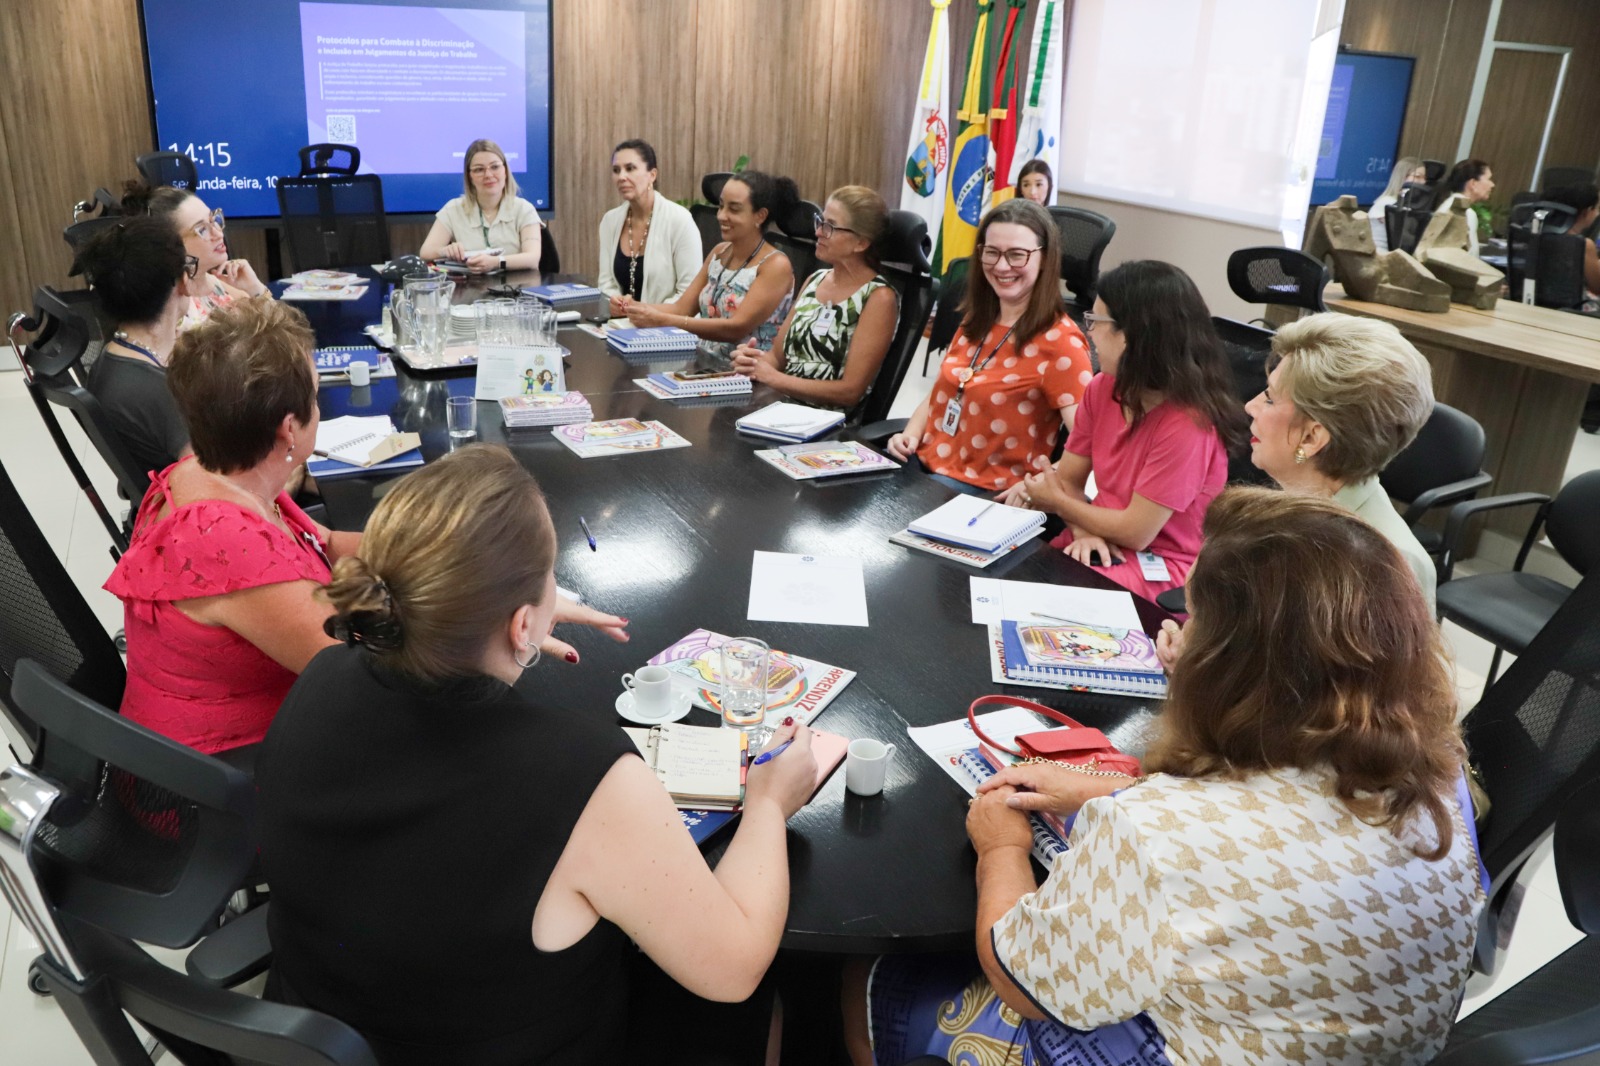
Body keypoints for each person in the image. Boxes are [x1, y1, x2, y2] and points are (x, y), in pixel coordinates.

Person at [855, 487, 1484, 1066]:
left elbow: (1023, 983)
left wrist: (1001, 847)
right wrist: (1114, 789)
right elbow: (1280, 835)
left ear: (1227, 664)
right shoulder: (1438, 782)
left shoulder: (1156, 837)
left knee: (871, 982)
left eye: (1197, 619)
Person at [258, 444, 819, 1065]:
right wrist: (769, 802)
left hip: (327, 1034)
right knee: (758, 1002)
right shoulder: (580, 774)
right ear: (522, 623)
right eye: (552, 577)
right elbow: (732, 967)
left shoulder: (323, 677)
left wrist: (508, 624)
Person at [103, 300, 627, 754]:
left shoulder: (214, 474)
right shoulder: (224, 541)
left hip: (232, 742)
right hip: (219, 786)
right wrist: (499, 613)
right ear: (289, 428)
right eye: (313, 397)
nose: (317, 407)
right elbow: (370, 673)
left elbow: (325, 544)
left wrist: (495, 574)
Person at [1015, 260, 1246, 600]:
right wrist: (1082, 532)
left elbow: (1137, 532)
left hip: (1161, 565)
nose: (1088, 331)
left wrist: (1059, 505)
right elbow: (1067, 481)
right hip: (1100, 538)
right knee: (1015, 574)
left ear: (1134, 334)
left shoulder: (1189, 424)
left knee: (1046, 602)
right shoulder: (1102, 387)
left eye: (1096, 321)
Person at [887, 198, 1092, 495]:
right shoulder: (978, 318)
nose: (1001, 266)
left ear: (1045, 258)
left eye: (1017, 255)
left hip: (987, 490)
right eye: (991, 252)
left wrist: (1036, 487)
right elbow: (942, 392)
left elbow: (1088, 445)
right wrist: (910, 433)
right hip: (924, 466)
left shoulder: (1061, 343)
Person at [1244, 312, 1438, 610]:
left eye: (1269, 398)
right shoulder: (1292, 500)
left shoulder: (1387, 568)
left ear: (1311, 438)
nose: (1251, 406)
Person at [729, 185, 898, 413]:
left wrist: (774, 379)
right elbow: (777, 357)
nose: (818, 232)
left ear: (861, 243)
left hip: (827, 425)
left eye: (831, 227)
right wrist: (753, 363)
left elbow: (849, 391)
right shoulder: (815, 280)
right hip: (778, 407)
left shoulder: (879, 298)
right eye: (820, 221)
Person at [615, 170, 796, 358]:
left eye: (733, 209)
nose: (721, 216)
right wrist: (633, 307)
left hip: (745, 372)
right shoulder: (720, 252)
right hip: (703, 362)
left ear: (760, 216)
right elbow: (681, 309)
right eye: (721, 206)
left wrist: (662, 320)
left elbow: (735, 328)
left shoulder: (775, 265)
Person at [74, 217, 196, 477]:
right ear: (182, 282)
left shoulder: (113, 357)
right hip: (192, 504)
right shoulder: (158, 392)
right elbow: (216, 495)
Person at [121, 181, 269, 328]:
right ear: (171, 245)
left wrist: (255, 288)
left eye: (214, 219)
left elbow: (282, 338)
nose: (218, 233)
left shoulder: (217, 285)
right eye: (202, 230)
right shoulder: (172, 307)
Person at [597, 139, 702, 313]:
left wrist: (644, 311)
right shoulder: (610, 221)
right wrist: (613, 303)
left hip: (668, 328)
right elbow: (606, 283)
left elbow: (689, 295)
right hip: (620, 326)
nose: (621, 177)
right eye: (616, 170)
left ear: (652, 175)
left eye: (630, 168)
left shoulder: (680, 220)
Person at [419, 138, 543, 273]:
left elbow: (532, 259)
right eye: (479, 170)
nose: (488, 175)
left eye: (495, 167)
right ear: (470, 177)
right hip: (470, 289)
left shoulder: (524, 209)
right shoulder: (453, 209)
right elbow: (425, 252)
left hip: (515, 289)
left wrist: (496, 262)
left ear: (505, 171)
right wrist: (445, 250)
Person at [1542, 183, 1600, 297]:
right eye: (1597, 209)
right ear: (1586, 212)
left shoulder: (1538, 234)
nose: (1598, 214)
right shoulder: (1583, 245)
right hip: (1570, 310)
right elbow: (1597, 287)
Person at [1432, 158, 1494, 256]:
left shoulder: (1449, 204)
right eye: (1489, 179)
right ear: (1473, 183)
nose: (1492, 185)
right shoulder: (1464, 213)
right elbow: (1469, 259)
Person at [1369, 156, 1426, 252]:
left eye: (1424, 178)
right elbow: (1403, 237)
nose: (1423, 182)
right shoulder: (1387, 202)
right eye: (1417, 177)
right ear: (1402, 177)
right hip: (1379, 255)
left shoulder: (1404, 204)